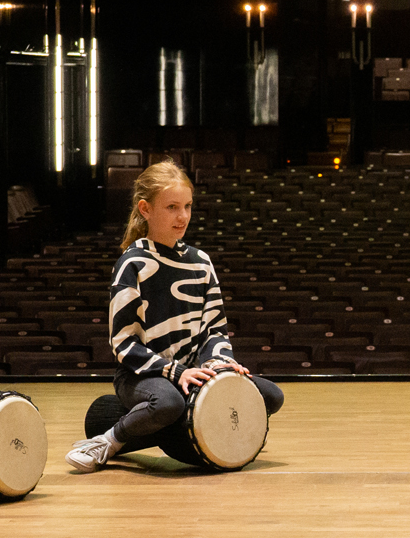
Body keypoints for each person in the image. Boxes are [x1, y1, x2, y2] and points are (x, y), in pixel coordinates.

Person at [67, 160, 284, 472]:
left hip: (190, 373)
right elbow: (123, 344)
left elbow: (215, 330)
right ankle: (108, 440)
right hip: (142, 376)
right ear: (145, 209)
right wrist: (175, 373)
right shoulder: (133, 264)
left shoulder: (201, 262)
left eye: (187, 206)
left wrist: (220, 364)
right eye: (171, 207)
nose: (182, 217)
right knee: (169, 403)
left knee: (270, 396)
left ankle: (148, 423)